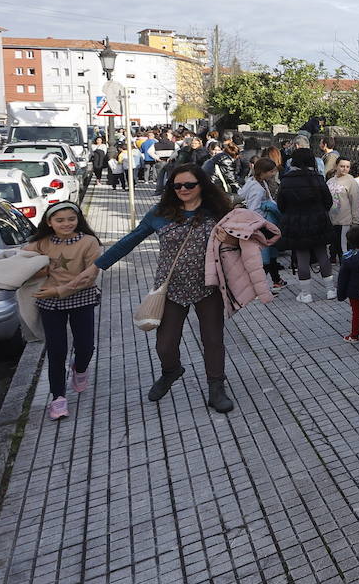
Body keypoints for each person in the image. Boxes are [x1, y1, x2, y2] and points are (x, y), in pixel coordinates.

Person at [77, 164, 238, 413]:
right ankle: (171, 371)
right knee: (165, 344)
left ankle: (216, 387)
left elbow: (242, 239)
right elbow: (130, 240)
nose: (182, 189)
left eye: (189, 185)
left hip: (209, 286)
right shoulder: (161, 213)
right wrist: (98, 265)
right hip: (170, 287)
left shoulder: (216, 212)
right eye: (177, 185)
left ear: (201, 185)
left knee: (213, 339)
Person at [25, 203, 102, 421]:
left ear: (79, 219)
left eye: (71, 219)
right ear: (49, 222)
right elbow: (21, 264)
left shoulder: (89, 242)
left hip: (81, 298)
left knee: (86, 346)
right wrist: (42, 271)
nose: (66, 224)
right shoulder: (40, 243)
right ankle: (58, 399)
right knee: (56, 351)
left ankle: (80, 368)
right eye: (60, 220)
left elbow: (90, 276)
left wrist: (59, 290)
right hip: (49, 303)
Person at [276, 147, 334, 303]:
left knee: (302, 256)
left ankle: (306, 293)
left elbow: (280, 205)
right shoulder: (318, 178)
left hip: (296, 223)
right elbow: (328, 201)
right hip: (318, 220)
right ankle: (330, 290)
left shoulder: (286, 179)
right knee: (322, 253)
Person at [239, 157, 285, 289]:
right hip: (262, 224)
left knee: (270, 253)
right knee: (265, 255)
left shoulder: (254, 182)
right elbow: (254, 209)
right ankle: (258, 286)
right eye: (271, 172)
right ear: (263, 172)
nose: (273, 174)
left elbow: (241, 195)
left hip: (261, 223)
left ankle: (276, 280)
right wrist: (267, 207)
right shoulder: (257, 188)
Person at [327, 157, 359, 263]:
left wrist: (356, 221)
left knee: (343, 248)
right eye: (342, 166)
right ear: (336, 166)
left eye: (347, 167)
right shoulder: (330, 180)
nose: (345, 169)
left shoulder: (351, 181)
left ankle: (345, 268)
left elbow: (356, 202)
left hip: (345, 220)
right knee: (334, 245)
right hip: (331, 220)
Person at [338, 224, 359, 342]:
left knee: (357, 312)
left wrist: (341, 294)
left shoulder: (347, 258)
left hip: (354, 289)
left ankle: (354, 335)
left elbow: (343, 277)